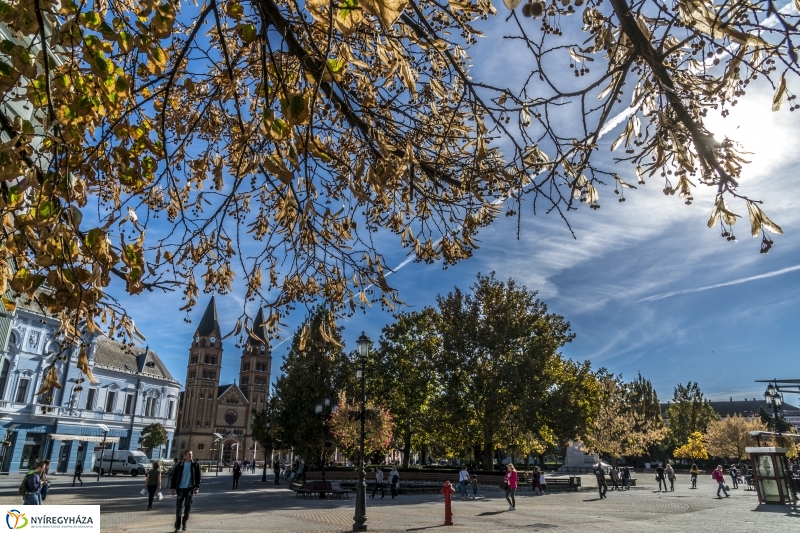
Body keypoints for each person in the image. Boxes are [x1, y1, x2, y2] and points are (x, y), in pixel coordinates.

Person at [170, 450, 201, 533]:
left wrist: (197, 487)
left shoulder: (195, 465)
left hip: (190, 489)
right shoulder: (179, 465)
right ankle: (177, 526)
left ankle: (184, 521)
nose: (191, 456)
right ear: (185, 456)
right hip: (180, 489)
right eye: (189, 454)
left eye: (191, 454)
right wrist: (172, 488)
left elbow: (198, 477)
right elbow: (174, 477)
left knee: (187, 507)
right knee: (178, 508)